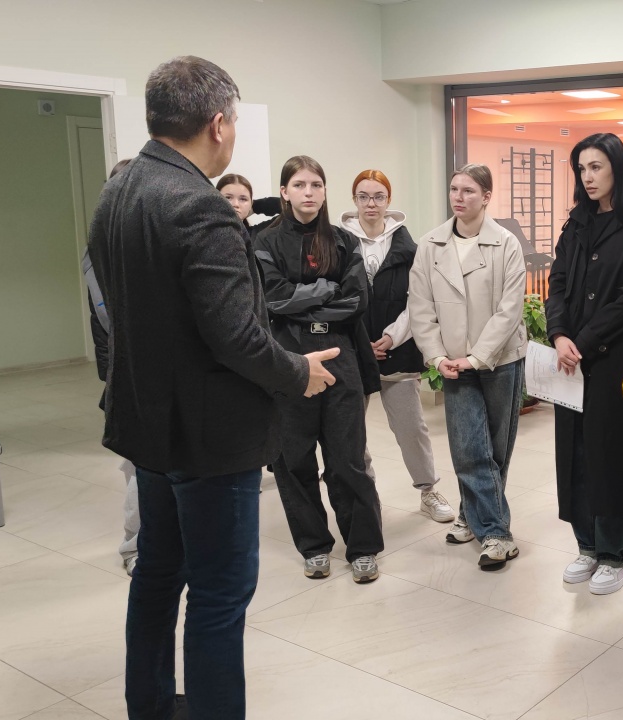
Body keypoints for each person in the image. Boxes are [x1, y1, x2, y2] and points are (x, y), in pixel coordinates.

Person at [88, 56, 337, 719]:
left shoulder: (119, 189)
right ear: (219, 123)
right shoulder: (201, 208)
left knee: (157, 574)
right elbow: (237, 338)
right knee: (220, 597)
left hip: (150, 425)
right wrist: (300, 371)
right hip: (209, 438)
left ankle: (148, 706)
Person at [255, 156, 385, 585]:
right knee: (293, 461)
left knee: (348, 459)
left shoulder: (344, 241)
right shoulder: (265, 241)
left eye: (315, 184)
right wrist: (325, 288)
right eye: (299, 185)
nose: (308, 192)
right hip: (288, 357)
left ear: (325, 191)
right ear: (285, 191)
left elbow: (356, 300)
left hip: (340, 352)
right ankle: (314, 547)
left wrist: (302, 299)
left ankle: (363, 548)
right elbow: (272, 298)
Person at [546, 133, 623, 594]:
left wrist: (584, 341)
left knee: (611, 457)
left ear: (617, 168)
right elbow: (557, 283)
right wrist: (559, 335)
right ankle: (587, 546)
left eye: (596, 167)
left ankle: (618, 552)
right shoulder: (577, 222)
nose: (588, 177)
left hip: (613, 358)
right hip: (569, 358)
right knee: (574, 455)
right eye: (582, 169)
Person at [408, 163, 527, 570]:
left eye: (469, 191)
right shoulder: (430, 244)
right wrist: (437, 356)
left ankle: (469, 514)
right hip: (452, 364)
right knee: (468, 447)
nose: (459, 197)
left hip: (499, 360)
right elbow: (420, 306)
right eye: (454, 189)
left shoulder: (506, 244)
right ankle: (496, 534)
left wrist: (477, 357)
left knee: (495, 449)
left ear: (486, 196)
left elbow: (510, 309)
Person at [340, 169, 454, 524]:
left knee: (411, 428)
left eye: (378, 196)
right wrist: (361, 341)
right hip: (353, 352)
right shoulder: (338, 244)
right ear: (354, 200)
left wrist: (392, 336)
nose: (371, 203)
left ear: (388, 200)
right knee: (351, 431)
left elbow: (417, 300)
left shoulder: (409, 248)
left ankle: (428, 490)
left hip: (398, 350)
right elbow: (335, 297)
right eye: (363, 196)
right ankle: (366, 493)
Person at [81, 159, 140, 576]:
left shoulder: (156, 238)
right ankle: (136, 547)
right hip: (129, 378)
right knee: (138, 468)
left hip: (171, 377)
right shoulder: (97, 252)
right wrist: (113, 378)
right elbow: (102, 323)